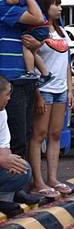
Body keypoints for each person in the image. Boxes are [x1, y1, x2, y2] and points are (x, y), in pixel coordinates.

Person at [0, 0, 45, 205]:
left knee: (24, 134)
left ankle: (18, 188)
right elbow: (38, 17)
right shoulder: (2, 8)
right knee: (15, 138)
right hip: (11, 83)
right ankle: (13, 190)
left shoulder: (10, 6)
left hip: (22, 81)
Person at [28, 0, 73, 199]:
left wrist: (70, 89)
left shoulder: (61, 31)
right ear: (46, 6)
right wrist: (36, 92)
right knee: (39, 135)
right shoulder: (37, 31)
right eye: (56, 4)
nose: (60, 8)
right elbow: (31, 61)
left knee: (55, 135)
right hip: (44, 89)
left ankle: (53, 178)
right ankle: (38, 182)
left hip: (61, 91)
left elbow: (66, 64)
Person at [0, 0, 53, 86]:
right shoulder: (5, 6)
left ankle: (37, 74)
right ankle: (39, 73)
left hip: (16, 78)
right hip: (10, 79)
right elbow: (38, 18)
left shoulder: (19, 0)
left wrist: (37, 43)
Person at [0, 75, 33, 217]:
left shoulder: (2, 112)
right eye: (7, 94)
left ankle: (5, 200)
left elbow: (4, 145)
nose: (9, 99)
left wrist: (8, 160)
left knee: (22, 169)